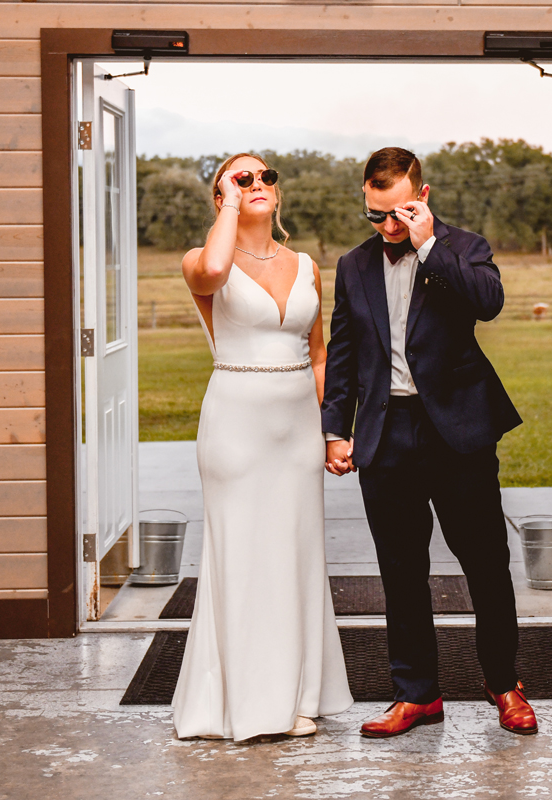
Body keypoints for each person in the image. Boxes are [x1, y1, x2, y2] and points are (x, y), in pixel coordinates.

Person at [321, 147, 538, 737]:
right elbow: (343, 353)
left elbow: (488, 303)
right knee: (400, 569)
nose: (388, 226)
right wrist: (335, 429)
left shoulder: (463, 247)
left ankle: (504, 683)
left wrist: (428, 246)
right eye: (376, 215)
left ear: (422, 197)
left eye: (400, 212)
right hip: (385, 432)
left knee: (485, 562)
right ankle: (416, 694)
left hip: (457, 431)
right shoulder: (353, 265)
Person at [172, 153, 353, 741]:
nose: (257, 184)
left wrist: (333, 430)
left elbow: (319, 355)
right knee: (243, 559)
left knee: (296, 559)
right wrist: (229, 205)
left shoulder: (306, 266)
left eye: (265, 176)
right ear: (220, 195)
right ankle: (241, 704)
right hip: (236, 428)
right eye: (241, 178)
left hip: (297, 433)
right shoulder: (202, 259)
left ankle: (299, 695)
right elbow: (214, 269)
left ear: (278, 191)